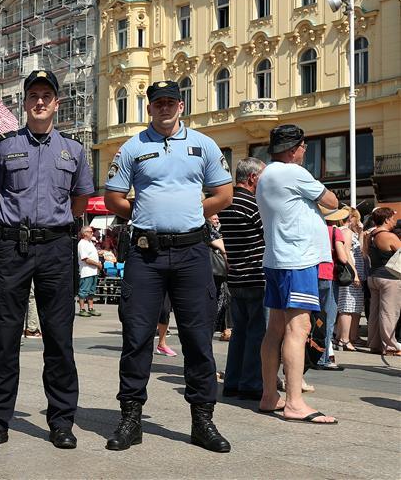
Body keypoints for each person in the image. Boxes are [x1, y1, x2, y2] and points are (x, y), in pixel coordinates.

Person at [104, 80, 233, 452]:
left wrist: (194, 213)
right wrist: (145, 215)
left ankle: (202, 420)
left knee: (197, 338)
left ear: (181, 106)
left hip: (193, 252)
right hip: (146, 254)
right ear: (149, 108)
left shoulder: (204, 145)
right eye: (158, 102)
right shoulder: (132, 147)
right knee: (137, 336)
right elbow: (113, 197)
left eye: (171, 102)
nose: (165, 108)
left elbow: (222, 193)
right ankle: (131, 418)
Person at [0, 70, 94, 450]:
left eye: (46, 95)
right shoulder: (4, 147)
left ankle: (61, 421)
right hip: (14, 248)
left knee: (59, 339)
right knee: (4, 337)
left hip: (57, 249)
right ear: (24, 103)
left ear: (56, 103)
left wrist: (56, 229)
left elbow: (79, 202)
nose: (40, 101)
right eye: (33, 96)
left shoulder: (73, 150)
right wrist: (14, 229)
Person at [256, 124, 339, 424]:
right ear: (294, 148)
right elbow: (332, 201)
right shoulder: (293, 172)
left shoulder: (266, 175)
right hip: (298, 260)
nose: (305, 151)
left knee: (275, 329)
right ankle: (294, 402)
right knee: (298, 329)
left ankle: (269, 394)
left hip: (279, 259)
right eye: (304, 147)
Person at [218, 157, 267, 400]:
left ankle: (233, 381)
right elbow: (267, 235)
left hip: (235, 276)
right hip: (257, 275)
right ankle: (250, 383)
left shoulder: (226, 202)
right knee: (257, 332)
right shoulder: (254, 205)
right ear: (253, 178)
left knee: (239, 332)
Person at [315, 207, 353, 370]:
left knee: (315, 318)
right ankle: (323, 358)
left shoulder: (315, 230)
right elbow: (343, 258)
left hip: (314, 274)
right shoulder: (335, 231)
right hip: (330, 276)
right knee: (328, 319)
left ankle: (312, 353)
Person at [364, 207, 401, 356]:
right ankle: (391, 346)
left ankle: (375, 344)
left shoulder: (370, 235)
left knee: (374, 312)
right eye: (392, 218)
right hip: (389, 278)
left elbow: (365, 254)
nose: (394, 221)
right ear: (386, 219)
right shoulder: (389, 236)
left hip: (373, 277)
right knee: (389, 313)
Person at [336, 208, 366, 350]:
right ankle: (344, 338)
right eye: (357, 218)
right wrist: (354, 273)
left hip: (355, 272)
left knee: (355, 306)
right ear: (351, 218)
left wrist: (360, 233)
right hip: (351, 272)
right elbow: (347, 252)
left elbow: (358, 250)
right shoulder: (345, 231)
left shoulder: (350, 232)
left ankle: (350, 336)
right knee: (347, 306)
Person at [77, 226, 102, 317]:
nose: (92, 233)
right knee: (84, 291)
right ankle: (82, 309)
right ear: (85, 233)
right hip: (86, 271)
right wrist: (97, 264)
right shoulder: (82, 243)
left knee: (91, 291)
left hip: (93, 271)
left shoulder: (90, 242)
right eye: (90, 232)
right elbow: (85, 259)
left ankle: (90, 308)